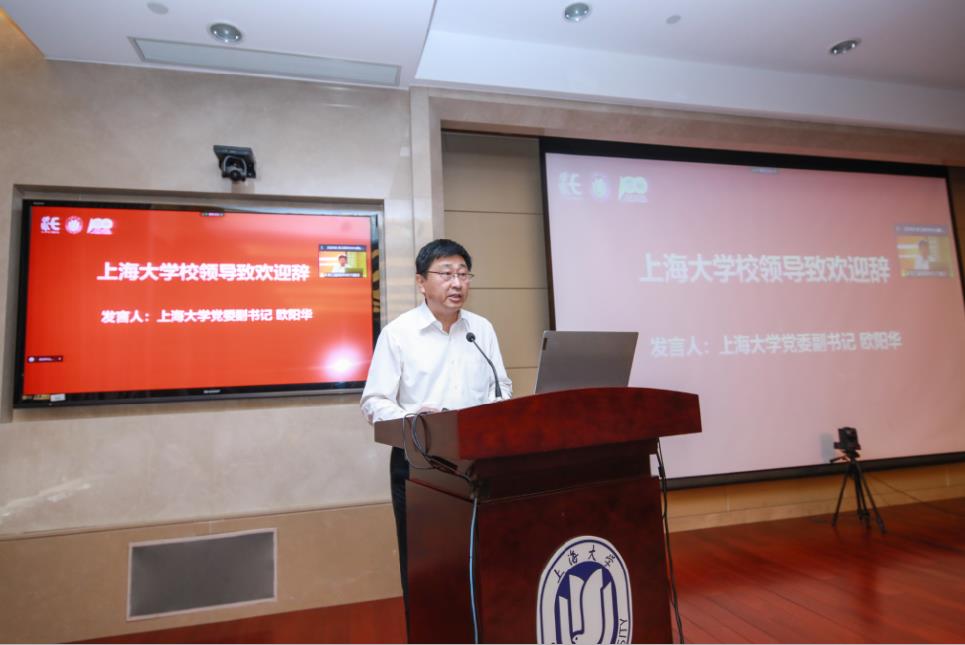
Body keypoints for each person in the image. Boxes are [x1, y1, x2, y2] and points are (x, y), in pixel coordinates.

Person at [360, 238, 512, 614]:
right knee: (424, 565)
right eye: (446, 274)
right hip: (419, 464)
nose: (457, 283)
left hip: (477, 462)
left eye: (463, 274)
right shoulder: (399, 333)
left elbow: (502, 387)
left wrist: (495, 410)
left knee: (480, 558)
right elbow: (374, 402)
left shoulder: (481, 330)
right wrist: (414, 418)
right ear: (421, 282)